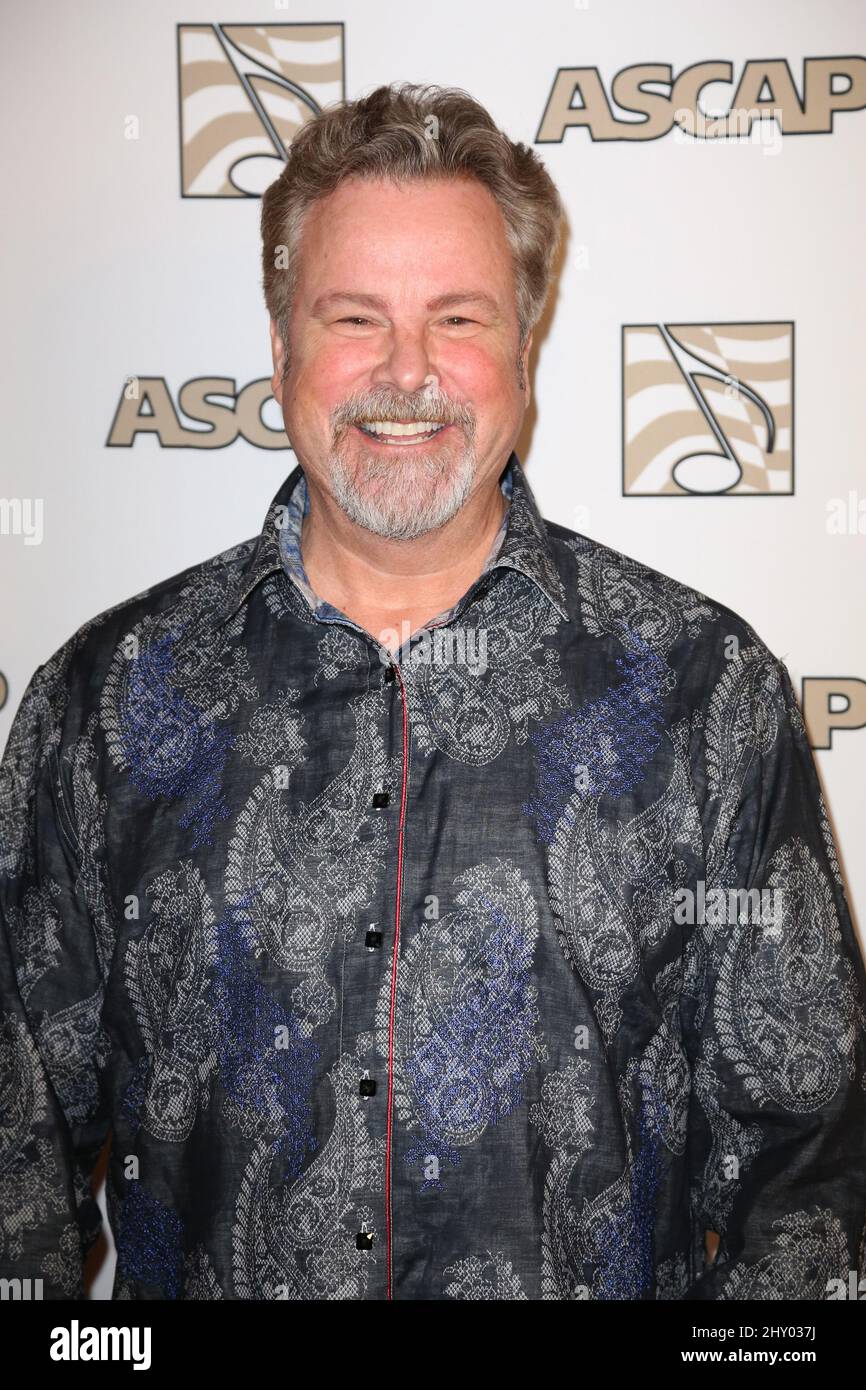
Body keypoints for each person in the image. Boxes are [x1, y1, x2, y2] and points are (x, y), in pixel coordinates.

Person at [1, 81, 864, 1302]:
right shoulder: (108, 701)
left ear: (524, 341)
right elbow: (13, 1165)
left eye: (456, 318)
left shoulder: (701, 694)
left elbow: (809, 1189)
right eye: (354, 316)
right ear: (281, 346)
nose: (404, 374)